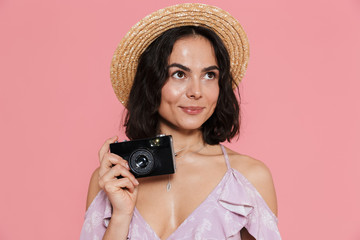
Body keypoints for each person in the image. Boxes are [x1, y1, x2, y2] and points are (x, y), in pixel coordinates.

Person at [80, 3, 281, 240]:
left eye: (209, 75)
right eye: (179, 74)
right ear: (152, 82)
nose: (196, 91)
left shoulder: (247, 178)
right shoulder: (112, 179)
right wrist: (121, 215)